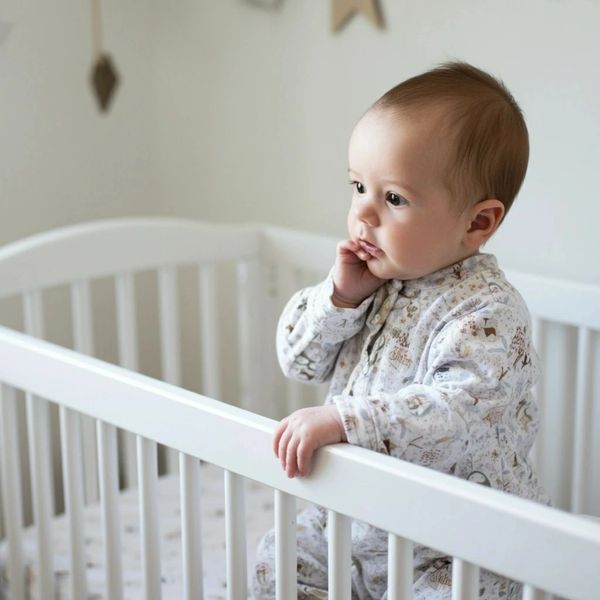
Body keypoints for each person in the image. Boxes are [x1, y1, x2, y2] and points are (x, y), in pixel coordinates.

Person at [252, 61, 550, 600]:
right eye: (358, 186)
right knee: (277, 561)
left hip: (453, 542)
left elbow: (454, 414)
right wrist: (338, 299)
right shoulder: (372, 281)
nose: (363, 213)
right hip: (356, 523)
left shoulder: (488, 312)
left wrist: (344, 420)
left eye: (394, 198)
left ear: (477, 222)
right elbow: (298, 361)